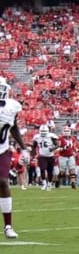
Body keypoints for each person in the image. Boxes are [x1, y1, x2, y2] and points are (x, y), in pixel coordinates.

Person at [0, 77, 29, 239]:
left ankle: (8, 226)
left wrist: (24, 148)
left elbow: (14, 127)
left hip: (2, 150)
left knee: (3, 182)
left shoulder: (11, 107)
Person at [32, 124, 58, 191]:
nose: (43, 133)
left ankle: (49, 184)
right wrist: (33, 154)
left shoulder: (51, 136)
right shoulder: (37, 137)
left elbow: (57, 145)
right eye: (42, 131)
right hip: (42, 156)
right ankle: (44, 184)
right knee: (42, 169)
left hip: (50, 156)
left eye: (44, 131)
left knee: (50, 171)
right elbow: (34, 146)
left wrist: (52, 149)